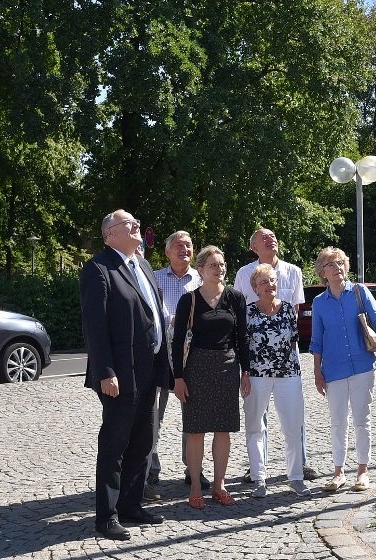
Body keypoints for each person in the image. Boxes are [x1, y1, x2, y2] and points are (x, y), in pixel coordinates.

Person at [80, 210, 170, 540]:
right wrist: (105, 371)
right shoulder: (98, 268)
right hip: (120, 373)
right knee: (115, 444)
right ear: (110, 234)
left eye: (136, 223)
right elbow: (95, 326)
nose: (136, 227)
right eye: (128, 224)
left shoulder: (142, 265)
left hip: (150, 368)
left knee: (144, 440)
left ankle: (132, 504)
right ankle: (107, 516)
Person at [232, 227, 318, 483]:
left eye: (273, 236)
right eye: (264, 237)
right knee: (258, 415)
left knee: (294, 413)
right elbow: (238, 311)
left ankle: (300, 463)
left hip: (287, 357)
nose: (270, 239)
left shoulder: (293, 271)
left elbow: (296, 311)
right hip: (256, 359)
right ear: (253, 247)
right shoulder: (243, 274)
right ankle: (258, 467)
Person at [309, 247, 376, 493]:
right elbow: (317, 340)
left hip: (363, 365)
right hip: (333, 369)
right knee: (337, 422)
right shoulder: (319, 303)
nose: (337, 267)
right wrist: (317, 372)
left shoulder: (359, 292)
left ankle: (362, 470)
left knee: (361, 419)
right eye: (331, 264)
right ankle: (338, 472)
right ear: (323, 272)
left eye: (340, 263)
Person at [171, 245, 251, 508]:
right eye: (214, 265)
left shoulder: (235, 298)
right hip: (197, 367)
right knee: (195, 430)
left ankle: (219, 485)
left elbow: (242, 337)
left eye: (222, 264)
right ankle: (195, 485)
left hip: (227, 366)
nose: (220, 269)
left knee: (223, 428)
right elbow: (177, 342)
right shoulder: (189, 300)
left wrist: (246, 371)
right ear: (201, 269)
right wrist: (178, 377)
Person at [146, 230, 205, 499]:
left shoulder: (201, 279)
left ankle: (193, 468)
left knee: (192, 416)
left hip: (191, 357)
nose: (185, 249)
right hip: (159, 355)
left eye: (188, 245)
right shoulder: (154, 277)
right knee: (153, 417)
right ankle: (150, 467)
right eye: (179, 245)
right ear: (167, 252)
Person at [243, 263, 310, 497]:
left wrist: (294, 371)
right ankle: (258, 478)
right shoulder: (247, 312)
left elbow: (293, 342)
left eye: (272, 281)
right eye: (264, 282)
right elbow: (243, 345)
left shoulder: (288, 309)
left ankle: (296, 477)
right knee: (255, 428)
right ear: (255, 288)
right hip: (257, 375)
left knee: (293, 426)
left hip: (287, 375)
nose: (270, 285)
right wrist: (244, 374)